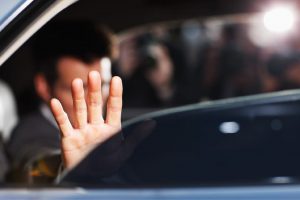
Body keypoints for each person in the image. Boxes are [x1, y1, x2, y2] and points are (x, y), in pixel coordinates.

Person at [6, 21, 120, 181]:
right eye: (78, 89)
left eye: (103, 84)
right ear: (44, 87)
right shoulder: (29, 132)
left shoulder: (111, 129)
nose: (95, 98)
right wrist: (68, 165)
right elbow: (34, 164)